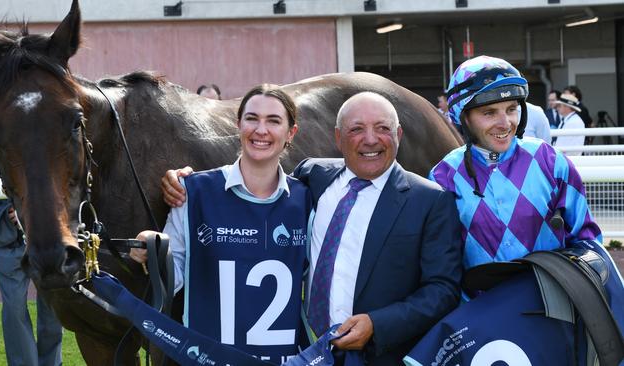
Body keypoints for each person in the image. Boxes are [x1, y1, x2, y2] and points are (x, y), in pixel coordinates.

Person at [162, 92, 463, 365]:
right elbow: (259, 181)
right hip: (305, 353)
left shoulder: (430, 199)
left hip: (379, 355)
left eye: (382, 128)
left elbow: (442, 290)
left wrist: (378, 324)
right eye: (356, 129)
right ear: (338, 138)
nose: (370, 139)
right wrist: (188, 183)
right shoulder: (313, 178)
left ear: (398, 134)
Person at [131, 84, 310, 364]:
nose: (261, 130)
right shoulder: (193, 191)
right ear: (238, 124)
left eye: (273, 121)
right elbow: (173, 278)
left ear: (291, 133)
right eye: (252, 118)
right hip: (206, 359)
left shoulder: (307, 200)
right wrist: (152, 251)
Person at [430, 55, 601, 270]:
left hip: (548, 299)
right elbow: (440, 262)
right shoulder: (443, 176)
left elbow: (587, 240)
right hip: (480, 302)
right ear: (464, 118)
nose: (505, 124)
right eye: (489, 112)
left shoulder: (550, 160)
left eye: (511, 109)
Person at [0, 131, 63, 366]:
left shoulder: (49, 122)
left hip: (47, 234)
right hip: (6, 237)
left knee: (53, 307)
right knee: (14, 308)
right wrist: (12, 207)